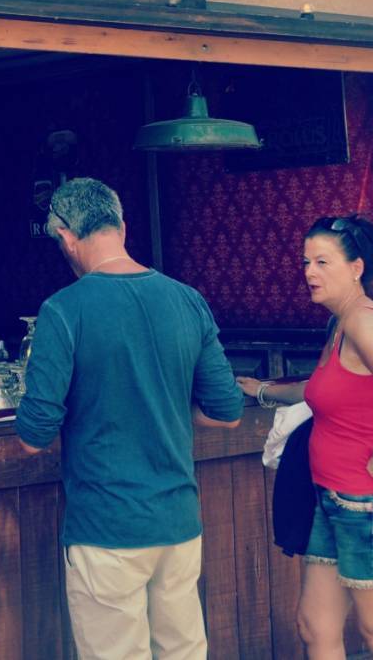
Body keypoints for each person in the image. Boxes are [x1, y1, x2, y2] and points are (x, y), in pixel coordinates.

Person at [15, 177, 244, 660]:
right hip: (178, 521)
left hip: (106, 526)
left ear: (65, 237)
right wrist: (165, 408)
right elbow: (226, 412)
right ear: (122, 227)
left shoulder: (63, 310)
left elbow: (34, 436)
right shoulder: (187, 299)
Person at [237, 216, 373, 660]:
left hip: (366, 503)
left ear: (356, 268)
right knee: (315, 626)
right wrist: (261, 391)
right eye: (306, 262)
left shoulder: (364, 322)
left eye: (322, 262)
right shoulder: (342, 323)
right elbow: (320, 389)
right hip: (333, 499)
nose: (309, 272)